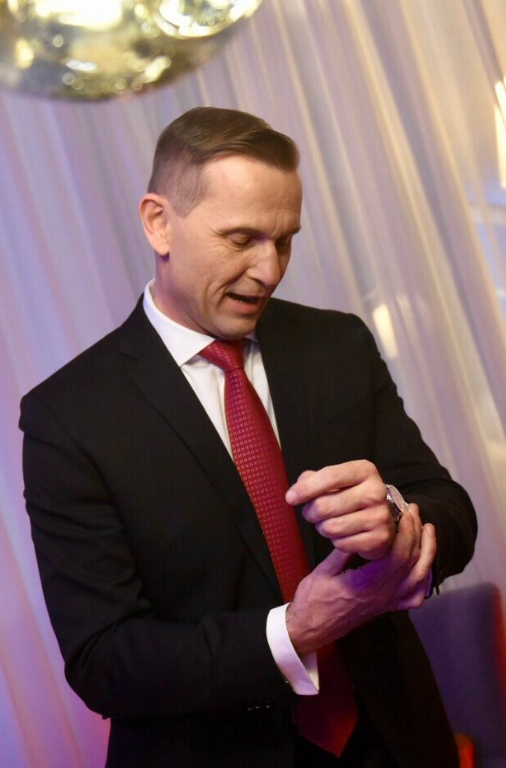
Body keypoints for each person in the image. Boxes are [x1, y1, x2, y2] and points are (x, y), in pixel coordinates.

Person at [20, 107, 477, 768]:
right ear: (158, 222)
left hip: (396, 740)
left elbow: (450, 510)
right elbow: (104, 660)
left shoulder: (337, 344)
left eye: (284, 240)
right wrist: (292, 632)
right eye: (241, 239)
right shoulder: (69, 417)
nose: (269, 270)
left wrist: (396, 518)